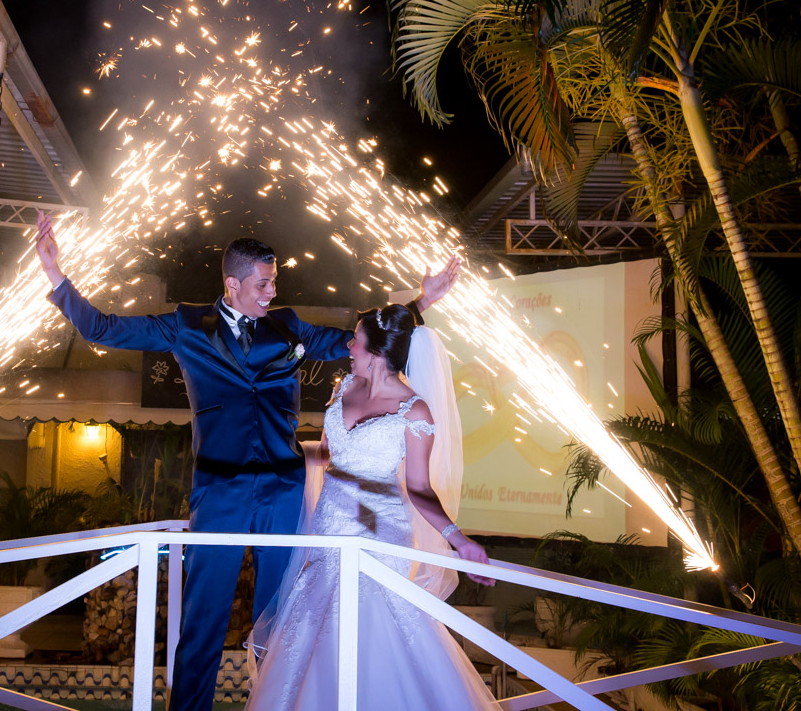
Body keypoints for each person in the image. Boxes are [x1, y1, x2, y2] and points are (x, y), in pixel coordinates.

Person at [34, 212, 461, 711]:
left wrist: (420, 302)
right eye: (262, 284)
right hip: (220, 491)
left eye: (274, 282)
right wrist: (55, 275)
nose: (271, 292)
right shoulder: (186, 326)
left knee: (282, 618)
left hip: (284, 491)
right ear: (232, 284)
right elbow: (103, 327)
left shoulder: (289, 327)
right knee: (204, 619)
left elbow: (360, 339)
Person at [244, 304, 498, 711]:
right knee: (315, 626)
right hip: (329, 526)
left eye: (356, 340)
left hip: (377, 528)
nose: (348, 347)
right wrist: (276, 455)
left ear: (377, 352)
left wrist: (459, 540)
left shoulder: (414, 411)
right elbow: (328, 455)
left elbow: (420, 488)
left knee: (367, 621)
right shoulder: (344, 387)